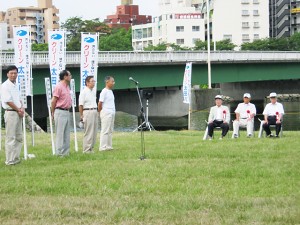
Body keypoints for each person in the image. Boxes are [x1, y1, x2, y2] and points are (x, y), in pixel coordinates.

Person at [1, 65, 25, 165]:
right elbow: (8, 101)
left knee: (19, 136)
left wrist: (22, 108)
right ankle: (9, 160)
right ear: (7, 74)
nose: (13, 75)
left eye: (15, 73)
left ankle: (16, 158)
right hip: (11, 112)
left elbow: (18, 99)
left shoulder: (16, 85)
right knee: (11, 137)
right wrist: (18, 109)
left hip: (18, 112)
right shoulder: (4, 86)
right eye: (11, 73)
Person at [51, 70, 72, 156]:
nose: (71, 77)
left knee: (66, 133)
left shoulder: (67, 87)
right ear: (65, 77)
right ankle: (58, 153)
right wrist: (53, 113)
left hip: (67, 111)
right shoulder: (59, 87)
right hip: (60, 111)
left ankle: (66, 153)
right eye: (70, 75)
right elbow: (53, 101)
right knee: (60, 133)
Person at [78, 76, 98, 153]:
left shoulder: (93, 91)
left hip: (94, 110)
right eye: (92, 81)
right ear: (87, 83)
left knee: (94, 131)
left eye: (94, 81)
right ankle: (86, 149)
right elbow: (81, 105)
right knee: (88, 131)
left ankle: (91, 148)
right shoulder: (83, 92)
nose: (94, 83)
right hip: (87, 111)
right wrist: (81, 115)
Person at [98, 76, 115, 151]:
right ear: (107, 82)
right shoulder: (104, 91)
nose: (113, 83)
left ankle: (109, 145)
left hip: (112, 112)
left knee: (110, 130)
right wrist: (100, 111)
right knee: (105, 130)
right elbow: (100, 103)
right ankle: (102, 147)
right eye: (112, 81)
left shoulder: (110, 91)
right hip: (106, 112)